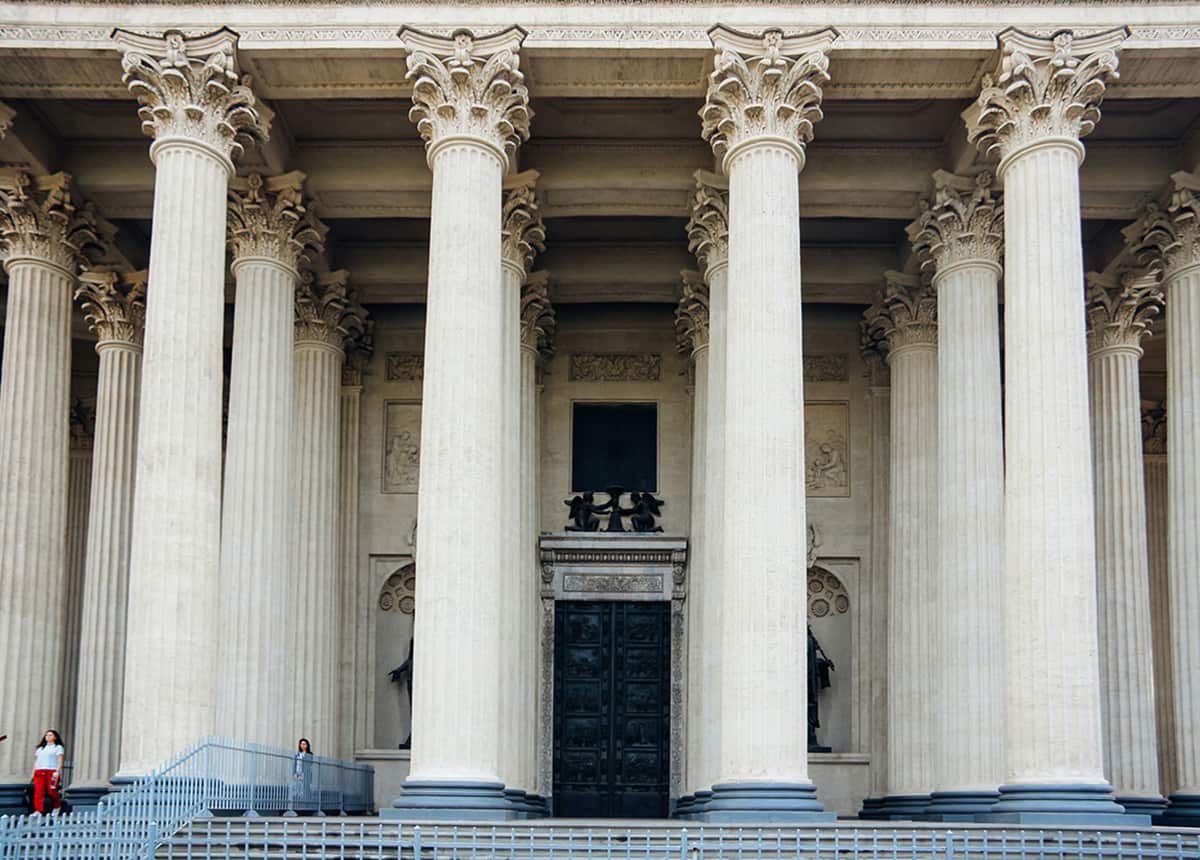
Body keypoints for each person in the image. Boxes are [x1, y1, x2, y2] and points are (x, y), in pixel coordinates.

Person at [31, 729, 64, 814]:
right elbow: (36, 761)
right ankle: (38, 810)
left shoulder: (58, 747)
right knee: (38, 791)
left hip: (51, 770)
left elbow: (60, 760)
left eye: (50, 735)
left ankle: (57, 806)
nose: (48, 737)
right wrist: (33, 773)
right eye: (46, 735)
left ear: (55, 737)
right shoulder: (40, 748)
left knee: (52, 790)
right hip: (39, 770)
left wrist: (58, 771)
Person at [292, 738, 315, 812]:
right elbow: (295, 764)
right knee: (298, 787)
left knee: (305, 788)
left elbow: (310, 763)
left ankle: (306, 803)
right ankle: (298, 803)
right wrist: (294, 773)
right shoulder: (297, 754)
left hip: (305, 773)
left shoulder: (310, 754)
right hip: (298, 773)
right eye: (301, 744)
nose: (303, 745)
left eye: (304, 744)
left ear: (307, 745)